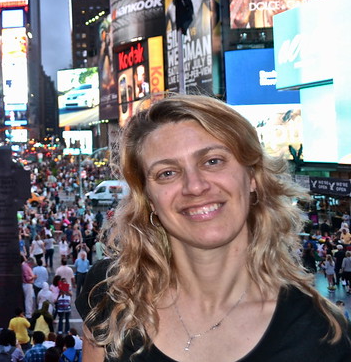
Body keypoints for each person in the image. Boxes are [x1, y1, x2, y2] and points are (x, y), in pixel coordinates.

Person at [76, 94, 351, 361]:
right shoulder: (111, 294)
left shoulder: (321, 334)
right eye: (167, 173)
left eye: (213, 161)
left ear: (252, 176)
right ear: (149, 198)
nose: (195, 186)